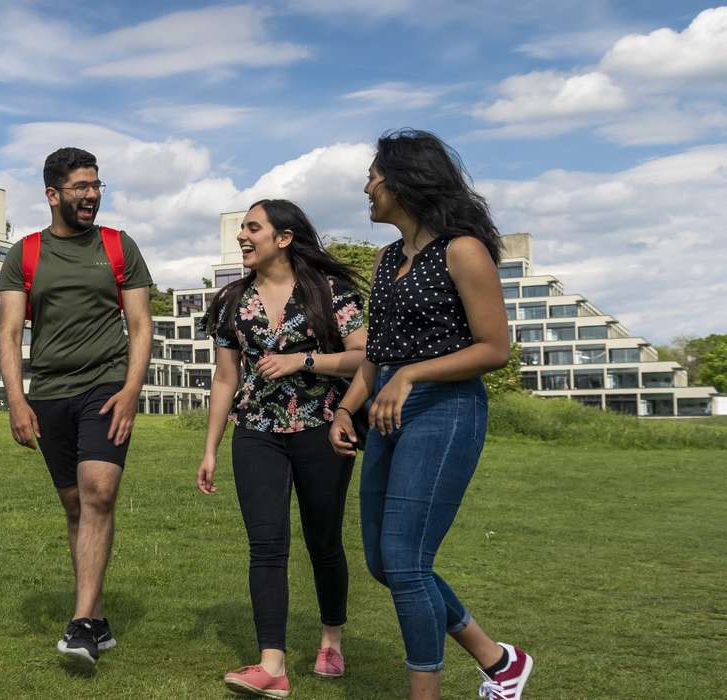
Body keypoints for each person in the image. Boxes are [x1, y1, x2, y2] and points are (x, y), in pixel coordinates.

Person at [329, 129, 533, 700]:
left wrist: (413, 375)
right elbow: (378, 353)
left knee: (407, 562)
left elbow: (494, 348)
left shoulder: (463, 250)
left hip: (445, 411)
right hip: (386, 415)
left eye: (373, 177)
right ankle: (500, 662)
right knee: (383, 562)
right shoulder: (386, 259)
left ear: (403, 181)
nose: (367, 188)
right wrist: (346, 409)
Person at [197, 199, 367, 698]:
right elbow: (225, 378)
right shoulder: (232, 302)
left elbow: (363, 358)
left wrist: (303, 361)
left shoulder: (331, 292)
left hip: (322, 428)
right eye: (242, 229)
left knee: (323, 541)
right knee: (266, 545)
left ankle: (331, 639)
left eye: (253, 228)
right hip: (256, 431)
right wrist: (210, 448)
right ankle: (272, 664)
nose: (242, 237)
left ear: (284, 238)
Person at [0, 147, 153, 667]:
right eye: (81, 187)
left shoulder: (118, 246)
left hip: (106, 385)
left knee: (99, 492)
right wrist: (16, 400)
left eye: (96, 185)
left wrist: (131, 390)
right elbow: (9, 333)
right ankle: (97, 618)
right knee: (75, 506)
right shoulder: (25, 254)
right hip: (49, 393)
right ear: (52, 194)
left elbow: (140, 326)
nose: (91, 195)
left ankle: (81, 623)